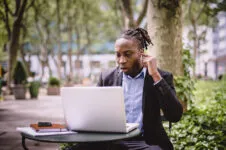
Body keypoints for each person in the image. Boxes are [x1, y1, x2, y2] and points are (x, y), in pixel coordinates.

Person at [69, 28, 183, 150]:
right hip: (111, 141)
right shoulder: (107, 78)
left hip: (145, 142)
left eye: (127, 54)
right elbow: (96, 115)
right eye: (118, 55)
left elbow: (175, 116)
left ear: (141, 53)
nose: (121, 60)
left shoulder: (160, 77)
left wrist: (155, 75)